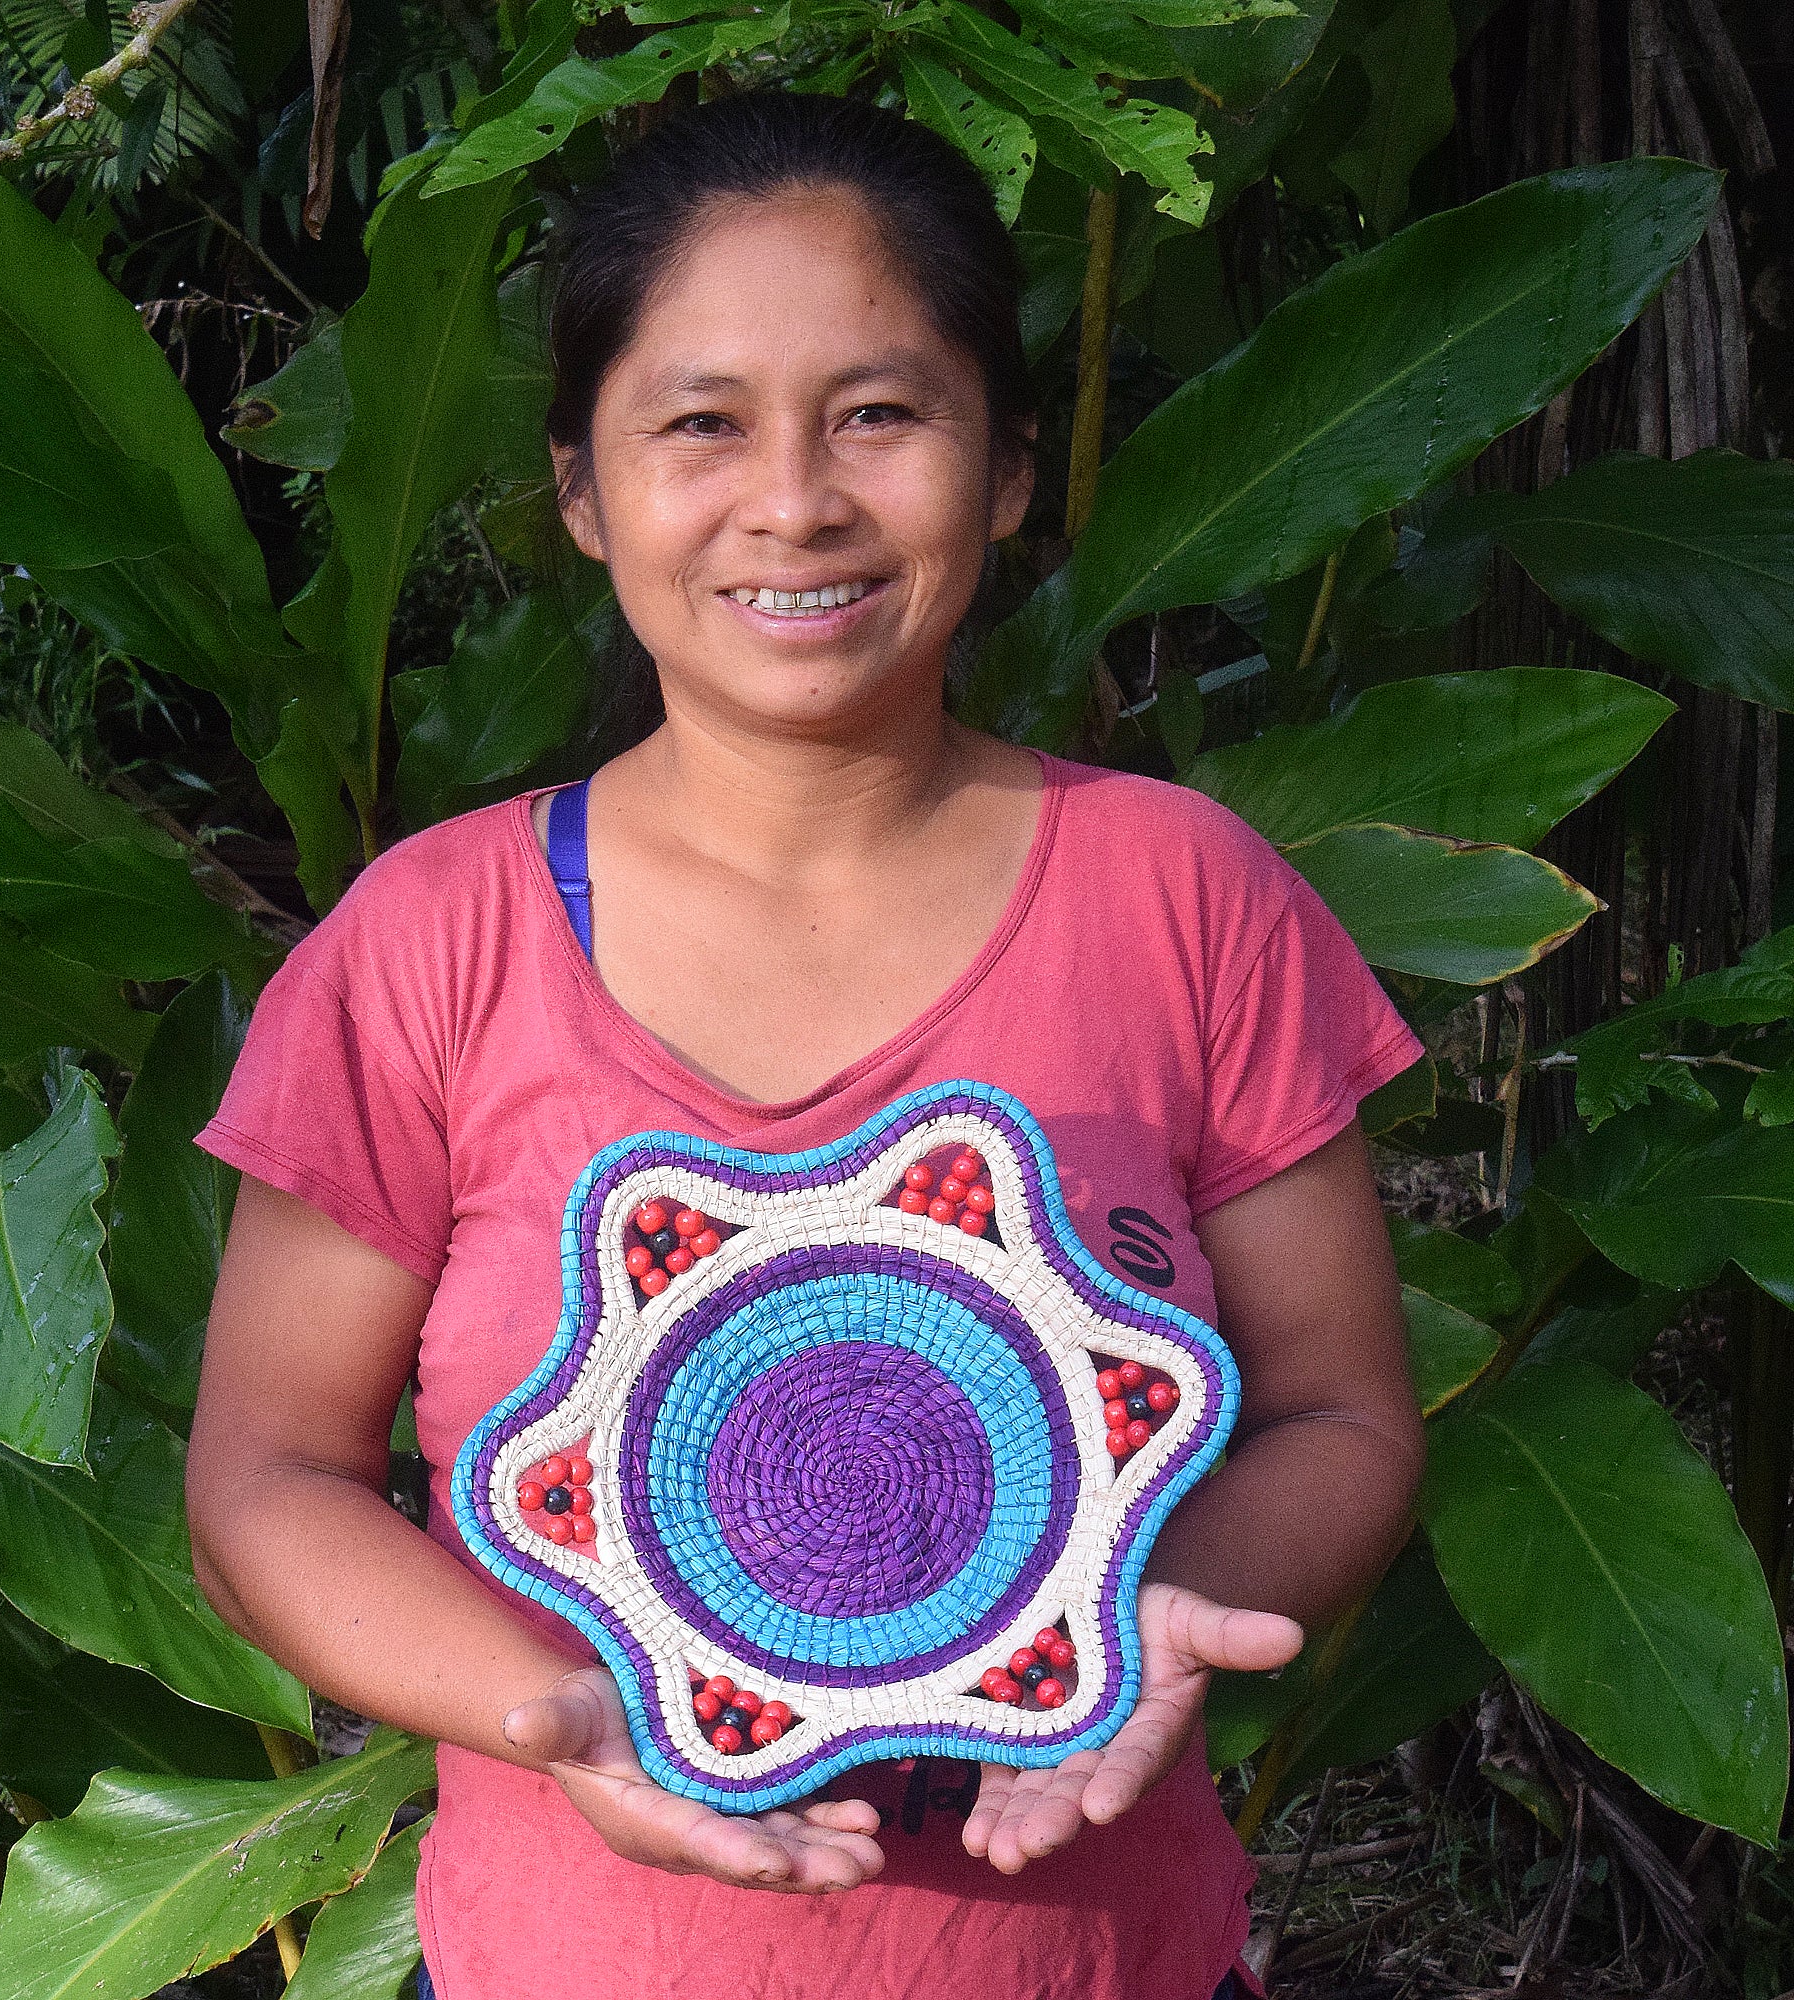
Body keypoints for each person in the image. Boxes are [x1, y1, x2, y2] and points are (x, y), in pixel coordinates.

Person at [184, 90, 1428, 2000]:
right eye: (702, 424)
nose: (795, 501)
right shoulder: (430, 949)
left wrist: (1167, 1615)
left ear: (1007, 467)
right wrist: (566, 1714)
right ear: (586, 494)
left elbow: (1344, 1416)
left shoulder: (1185, 897)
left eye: (880, 413)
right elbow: (267, 1477)